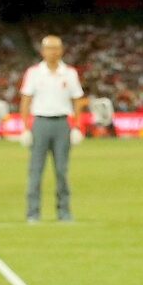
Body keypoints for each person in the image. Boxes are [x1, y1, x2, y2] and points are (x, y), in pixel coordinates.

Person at [19, 34, 85, 224]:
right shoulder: (34, 73)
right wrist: (25, 128)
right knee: (35, 170)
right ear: (42, 51)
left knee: (62, 171)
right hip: (40, 123)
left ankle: (64, 211)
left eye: (56, 48)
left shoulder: (69, 73)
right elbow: (26, 100)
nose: (52, 52)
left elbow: (77, 100)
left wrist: (77, 126)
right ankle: (33, 212)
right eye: (49, 48)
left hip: (62, 123)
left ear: (61, 50)